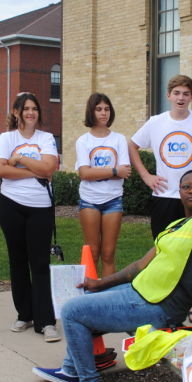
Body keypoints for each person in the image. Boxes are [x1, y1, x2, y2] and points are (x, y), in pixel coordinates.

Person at [32, 170, 192, 382]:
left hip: (160, 306)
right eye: (186, 186)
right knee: (86, 297)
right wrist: (100, 283)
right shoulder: (176, 225)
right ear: (179, 192)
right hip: (140, 293)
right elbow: (140, 265)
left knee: (73, 311)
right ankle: (70, 370)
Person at [0, 93, 61, 341]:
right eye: (26, 109)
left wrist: (20, 159)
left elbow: (49, 168)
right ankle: (24, 314)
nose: (31, 113)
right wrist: (34, 173)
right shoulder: (6, 137)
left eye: (35, 108)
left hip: (40, 207)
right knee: (17, 262)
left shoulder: (46, 138)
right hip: (11, 206)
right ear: (16, 112)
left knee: (41, 265)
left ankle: (47, 321)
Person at [129, 75, 192, 239]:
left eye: (186, 94)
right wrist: (146, 176)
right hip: (164, 195)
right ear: (169, 96)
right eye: (176, 93)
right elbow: (131, 146)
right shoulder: (155, 122)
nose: (181, 97)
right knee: (163, 246)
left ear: (191, 97)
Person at [75, 93, 131, 278]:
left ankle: (106, 299)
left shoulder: (119, 139)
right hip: (89, 201)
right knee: (92, 254)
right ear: (91, 112)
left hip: (113, 201)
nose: (103, 113)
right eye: (99, 109)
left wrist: (97, 172)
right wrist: (114, 171)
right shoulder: (83, 141)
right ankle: (87, 298)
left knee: (108, 255)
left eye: (106, 109)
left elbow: (126, 172)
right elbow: (84, 174)